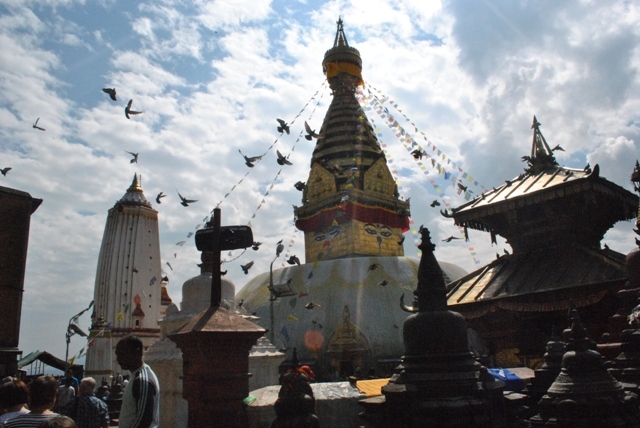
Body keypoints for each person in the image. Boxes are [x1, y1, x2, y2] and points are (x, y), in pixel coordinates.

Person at [115, 335, 159, 428]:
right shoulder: (136, 376)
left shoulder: (143, 380)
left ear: (137, 351)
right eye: (117, 354)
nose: (118, 359)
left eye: (122, 353)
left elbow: (144, 419)